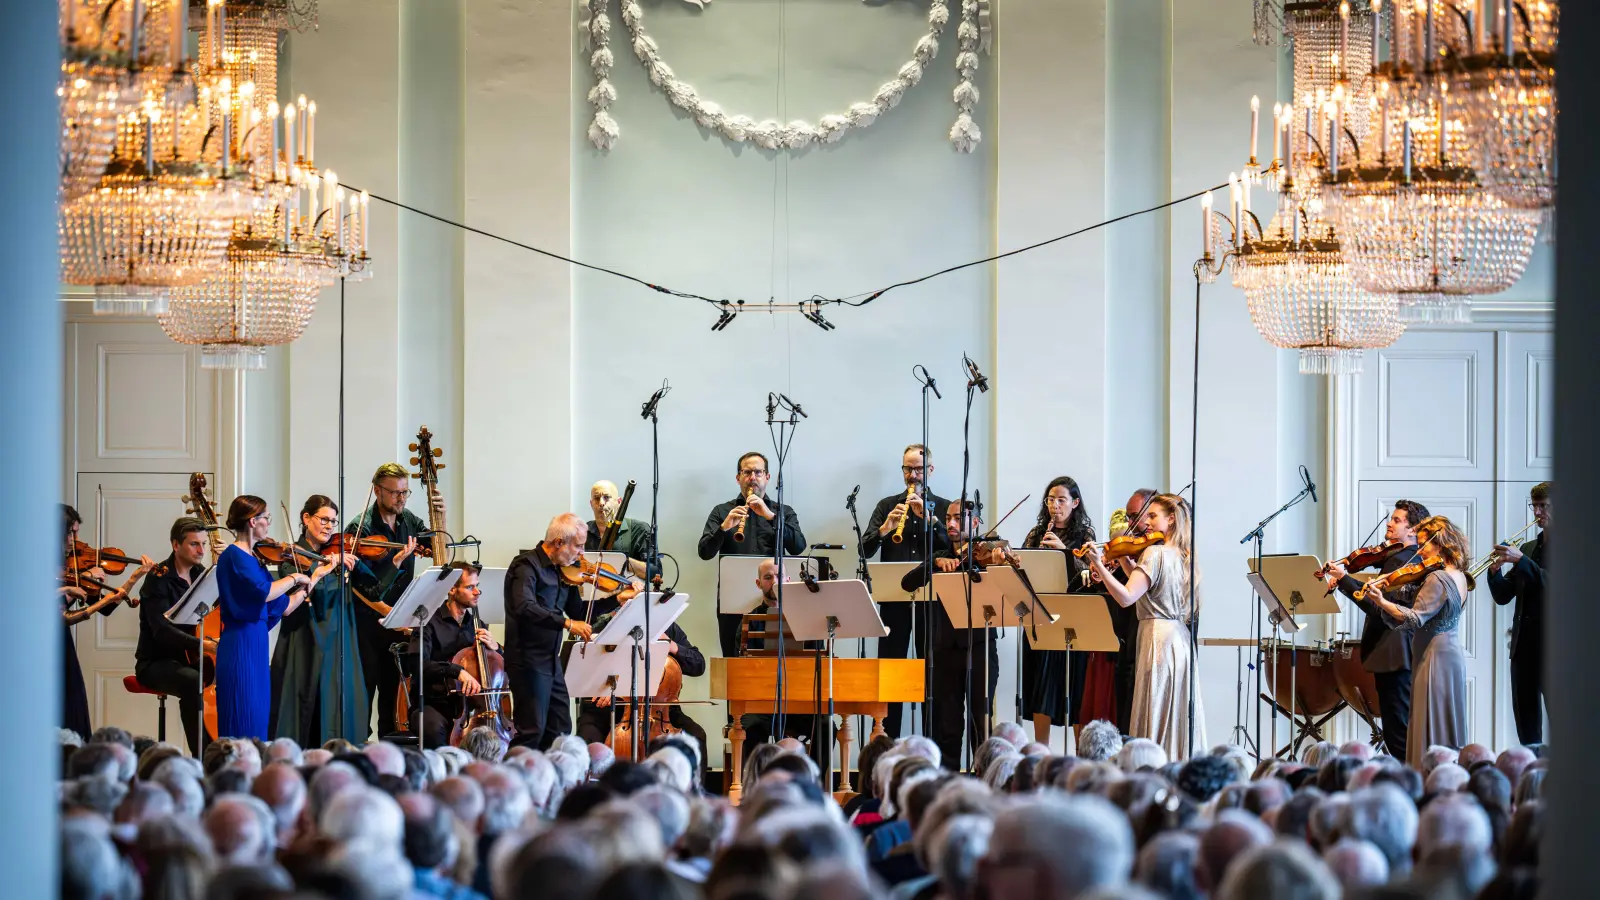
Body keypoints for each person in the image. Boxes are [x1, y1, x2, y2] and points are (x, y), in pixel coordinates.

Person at [1084, 493, 1206, 760]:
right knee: (1173, 712)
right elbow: (1148, 589)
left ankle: (1149, 762)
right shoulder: (1182, 554)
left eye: (1153, 516)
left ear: (1170, 519)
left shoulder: (1154, 552)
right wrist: (1127, 562)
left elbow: (1127, 597)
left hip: (1157, 640)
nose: (1146, 522)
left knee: (1155, 707)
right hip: (1178, 639)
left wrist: (1098, 565)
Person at [346, 461, 448, 740]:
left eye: (405, 492)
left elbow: (436, 547)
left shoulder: (409, 521)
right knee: (365, 690)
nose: (401, 498)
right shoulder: (360, 529)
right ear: (377, 491)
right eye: (395, 493)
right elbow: (359, 588)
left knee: (393, 693)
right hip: (368, 623)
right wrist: (392, 615)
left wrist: (441, 517)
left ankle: (389, 754)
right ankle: (358, 748)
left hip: (399, 621)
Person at [1323, 500, 1431, 761]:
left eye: (1396, 520)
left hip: (1394, 653)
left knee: (1398, 733)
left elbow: (1380, 609)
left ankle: (1410, 786)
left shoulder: (1404, 560)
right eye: (1390, 519)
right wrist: (1346, 578)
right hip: (1397, 654)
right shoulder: (1398, 557)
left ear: (1413, 529)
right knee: (1398, 729)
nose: (1389, 524)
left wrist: (1345, 578)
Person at [1363, 515, 1473, 768]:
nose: (1421, 551)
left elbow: (1414, 619)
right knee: (1445, 718)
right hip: (1450, 653)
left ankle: (1428, 776)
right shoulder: (1460, 575)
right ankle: (1447, 773)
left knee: (1428, 719)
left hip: (1434, 655)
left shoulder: (1437, 578)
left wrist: (1381, 601)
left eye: (1425, 544)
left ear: (1441, 543)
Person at [901, 501, 1002, 770]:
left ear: (976, 523)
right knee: (947, 722)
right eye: (948, 518)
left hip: (979, 646)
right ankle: (947, 779)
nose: (952, 523)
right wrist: (933, 562)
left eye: (959, 518)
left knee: (981, 720)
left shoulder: (986, 554)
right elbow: (907, 583)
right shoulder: (940, 554)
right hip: (944, 647)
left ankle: (984, 777)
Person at [860, 444, 951, 739]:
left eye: (918, 469)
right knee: (891, 673)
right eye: (907, 469)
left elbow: (951, 550)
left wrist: (932, 520)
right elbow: (865, 550)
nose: (913, 475)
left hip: (931, 601)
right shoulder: (887, 506)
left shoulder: (943, 505)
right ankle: (887, 744)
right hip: (893, 600)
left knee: (932, 672)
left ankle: (931, 746)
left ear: (930, 471)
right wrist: (885, 528)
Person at [270, 495, 376, 747]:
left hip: (336, 643)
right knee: (303, 710)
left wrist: (392, 563)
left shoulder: (338, 554)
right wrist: (318, 571)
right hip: (302, 640)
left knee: (336, 708)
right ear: (306, 518)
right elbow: (288, 600)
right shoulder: (292, 556)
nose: (330, 526)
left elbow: (374, 590)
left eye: (334, 521)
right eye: (324, 520)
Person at [1019, 476, 1113, 746]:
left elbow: (1090, 574)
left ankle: (1080, 753)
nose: (1055, 505)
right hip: (1042, 614)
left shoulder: (1085, 535)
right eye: (1050, 499)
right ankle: (1040, 751)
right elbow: (1024, 572)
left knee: (1076, 688)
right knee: (1041, 686)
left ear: (1075, 503)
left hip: (1072, 615)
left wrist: (1065, 552)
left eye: (1061, 500)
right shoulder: (1037, 533)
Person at [214, 495, 314, 740]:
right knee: (241, 720)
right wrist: (294, 578)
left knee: (257, 723)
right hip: (239, 645)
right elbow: (266, 592)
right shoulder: (234, 556)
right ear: (251, 521)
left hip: (256, 645)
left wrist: (316, 577)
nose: (268, 523)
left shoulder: (255, 562)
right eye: (265, 518)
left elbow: (285, 606)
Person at [572, 593, 709, 768]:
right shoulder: (601, 628)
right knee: (587, 741)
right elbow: (583, 674)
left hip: (660, 711)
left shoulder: (667, 628)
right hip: (609, 709)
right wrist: (604, 688)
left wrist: (671, 644)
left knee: (697, 735)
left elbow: (698, 665)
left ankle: (693, 792)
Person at [698, 451, 808, 658]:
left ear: (767, 477)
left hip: (774, 602)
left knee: (774, 661)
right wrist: (723, 528)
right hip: (733, 603)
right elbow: (704, 552)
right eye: (747, 472)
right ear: (738, 477)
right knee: (733, 661)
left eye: (758, 472)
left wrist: (770, 516)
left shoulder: (783, 512)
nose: (752, 477)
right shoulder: (722, 511)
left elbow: (798, 547)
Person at [61, 504, 153, 740]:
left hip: (62, 645)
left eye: (77, 533)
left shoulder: (72, 567)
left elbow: (107, 607)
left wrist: (135, 576)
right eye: (71, 532)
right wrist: (75, 586)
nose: (76, 540)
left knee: (71, 704)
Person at [505, 513, 593, 750]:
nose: (581, 553)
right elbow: (524, 606)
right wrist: (565, 624)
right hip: (527, 661)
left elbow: (578, 612)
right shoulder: (525, 566)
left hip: (551, 662)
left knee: (561, 730)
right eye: (578, 546)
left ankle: (551, 783)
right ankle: (513, 783)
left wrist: (618, 598)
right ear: (558, 543)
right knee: (532, 731)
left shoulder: (563, 571)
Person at [135, 516, 217, 756]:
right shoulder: (158, 579)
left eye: (204, 543)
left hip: (188, 657)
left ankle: (224, 745)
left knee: (226, 671)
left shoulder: (201, 573)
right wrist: (203, 645)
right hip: (155, 663)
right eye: (194, 544)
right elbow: (161, 630)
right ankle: (203, 757)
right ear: (175, 545)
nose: (201, 550)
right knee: (193, 681)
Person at [404, 562, 498, 749]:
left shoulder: (477, 625)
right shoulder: (427, 623)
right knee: (432, 729)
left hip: (473, 706)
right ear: (452, 590)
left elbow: (497, 667)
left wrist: (495, 648)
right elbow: (417, 665)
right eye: (470, 587)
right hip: (434, 704)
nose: (477, 592)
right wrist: (456, 671)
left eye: (477, 586)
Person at [1487, 482, 1548, 745]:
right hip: (1524, 646)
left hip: (1558, 649)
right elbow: (1503, 596)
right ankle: (1529, 777)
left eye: (1543, 506)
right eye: (1534, 506)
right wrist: (1494, 571)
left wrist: (1522, 562)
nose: (1537, 512)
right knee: (1526, 722)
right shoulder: (1529, 548)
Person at [1107, 488, 1157, 732]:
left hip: (1148, 633)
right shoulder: (1132, 544)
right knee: (1125, 700)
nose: (1130, 523)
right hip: (1125, 633)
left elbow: (1135, 590)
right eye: (1128, 516)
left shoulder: (1158, 552)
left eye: (1135, 515)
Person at [585, 479, 659, 584]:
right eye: (597, 498)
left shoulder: (640, 529)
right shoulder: (582, 532)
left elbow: (655, 573)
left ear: (619, 502)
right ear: (591, 503)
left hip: (627, 598)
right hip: (590, 598)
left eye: (606, 497)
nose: (601, 503)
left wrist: (621, 561)